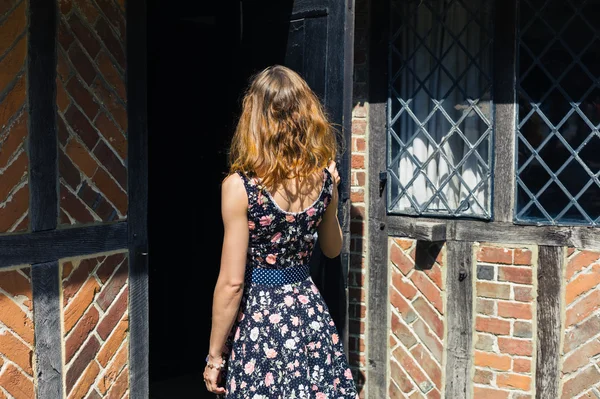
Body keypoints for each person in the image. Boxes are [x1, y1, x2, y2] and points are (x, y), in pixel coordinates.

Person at [203, 65, 359, 398]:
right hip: (308, 313)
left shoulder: (240, 188)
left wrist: (214, 357)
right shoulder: (323, 180)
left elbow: (232, 283)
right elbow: (332, 249)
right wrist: (329, 193)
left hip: (260, 320)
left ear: (255, 120)